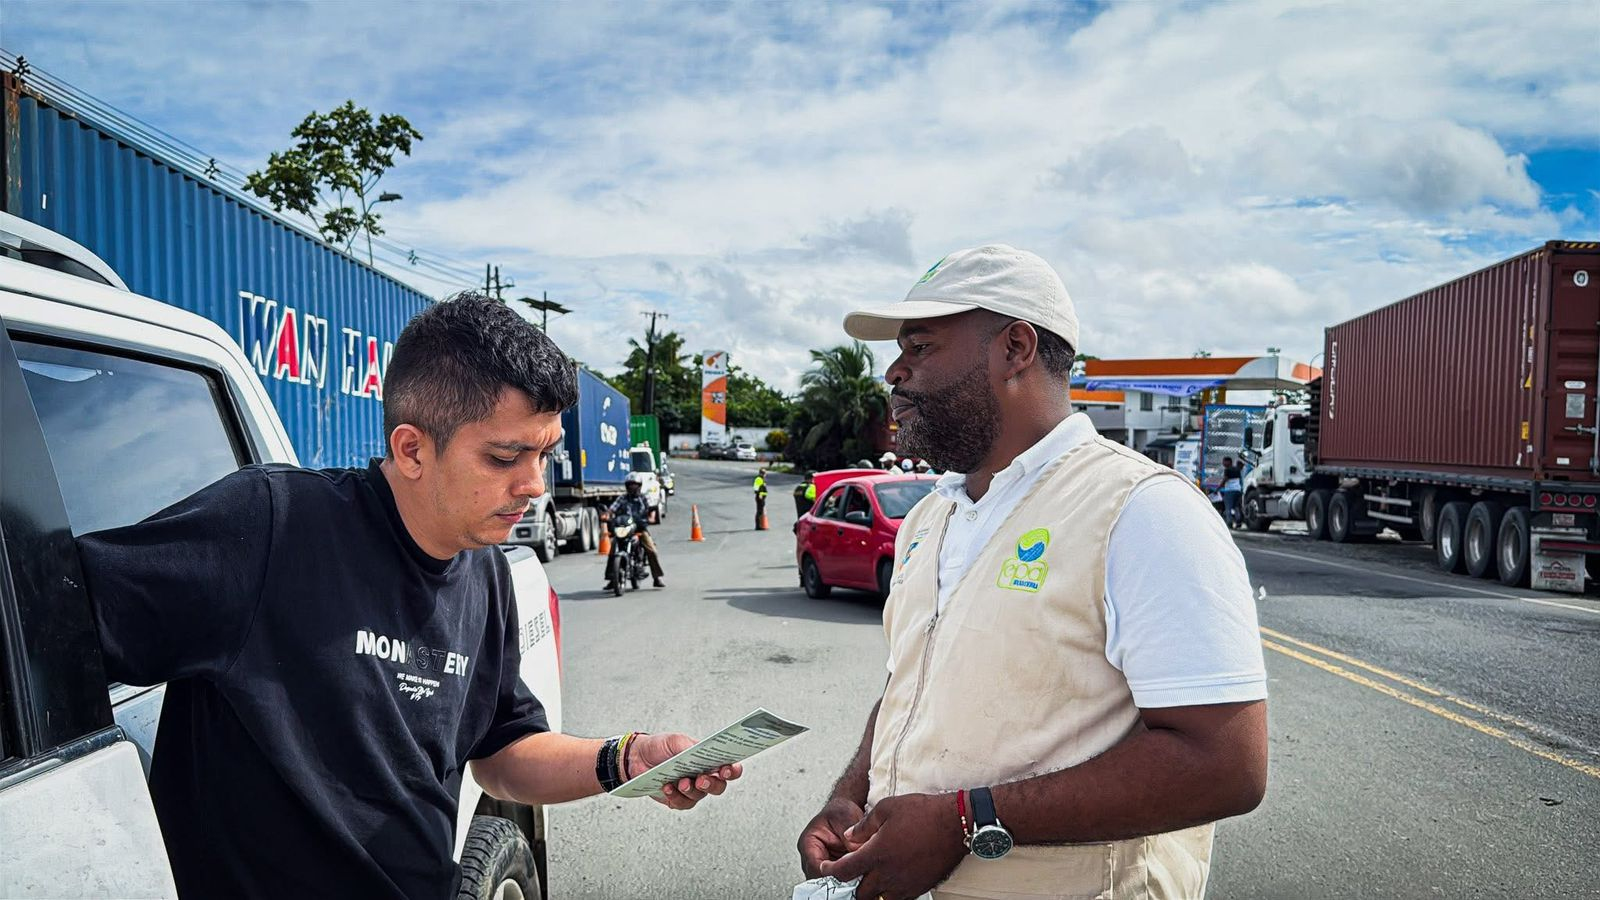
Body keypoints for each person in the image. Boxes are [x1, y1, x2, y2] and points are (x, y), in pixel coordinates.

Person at [79, 294, 737, 899]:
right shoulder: (271, 528)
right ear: (412, 449)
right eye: (507, 458)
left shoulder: (486, 573)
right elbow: (50, 630)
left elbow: (503, 753)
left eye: (545, 455)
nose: (535, 485)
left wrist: (625, 759)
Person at [797, 245, 1266, 900]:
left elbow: (1226, 766)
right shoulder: (931, 518)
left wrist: (965, 822)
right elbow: (912, 683)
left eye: (921, 347)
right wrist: (850, 798)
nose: (894, 372)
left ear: (1016, 348)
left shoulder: (1142, 511)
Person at [604, 479, 666, 589]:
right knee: (613, 548)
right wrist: (607, 515)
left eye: (634, 485)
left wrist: (651, 517)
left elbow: (651, 509)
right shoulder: (622, 498)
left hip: (639, 529)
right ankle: (612, 578)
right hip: (624, 529)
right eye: (630, 485)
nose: (632, 487)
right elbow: (612, 509)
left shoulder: (644, 498)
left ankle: (657, 577)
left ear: (639, 486)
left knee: (651, 550)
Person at [1220, 455, 1245, 529]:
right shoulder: (1237, 469)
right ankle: (1238, 522)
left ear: (1229, 462)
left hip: (1229, 491)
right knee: (1237, 507)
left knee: (1228, 508)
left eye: (1224, 461)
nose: (1223, 463)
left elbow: (1225, 479)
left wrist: (1217, 489)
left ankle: (1229, 523)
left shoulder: (1227, 470)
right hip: (1238, 490)